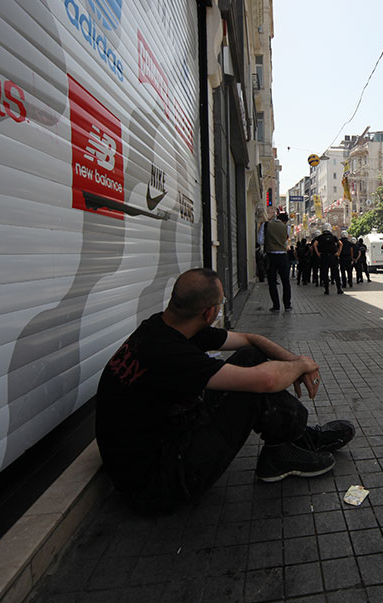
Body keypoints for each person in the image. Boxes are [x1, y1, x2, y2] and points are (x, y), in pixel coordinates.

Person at [95, 268, 356, 514]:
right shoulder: (168, 352)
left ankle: (295, 440)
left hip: (164, 443)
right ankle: (286, 448)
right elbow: (264, 381)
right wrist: (301, 366)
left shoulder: (165, 327)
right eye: (220, 303)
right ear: (209, 313)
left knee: (250, 356)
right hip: (159, 484)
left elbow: (251, 340)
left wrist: (296, 362)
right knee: (250, 384)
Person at [259, 211, 292, 312]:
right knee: (286, 282)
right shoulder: (287, 227)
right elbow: (285, 242)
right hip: (283, 256)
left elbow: (260, 241)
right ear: (285, 221)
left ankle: (276, 306)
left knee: (272, 282)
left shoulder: (266, 225)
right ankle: (287, 305)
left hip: (270, 256)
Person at [312, 224, 343, 295]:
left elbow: (314, 245)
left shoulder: (320, 237)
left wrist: (318, 253)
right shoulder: (333, 237)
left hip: (324, 257)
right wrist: (338, 253)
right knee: (336, 273)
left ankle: (327, 290)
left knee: (324, 273)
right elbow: (341, 244)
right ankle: (339, 289)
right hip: (333, 257)